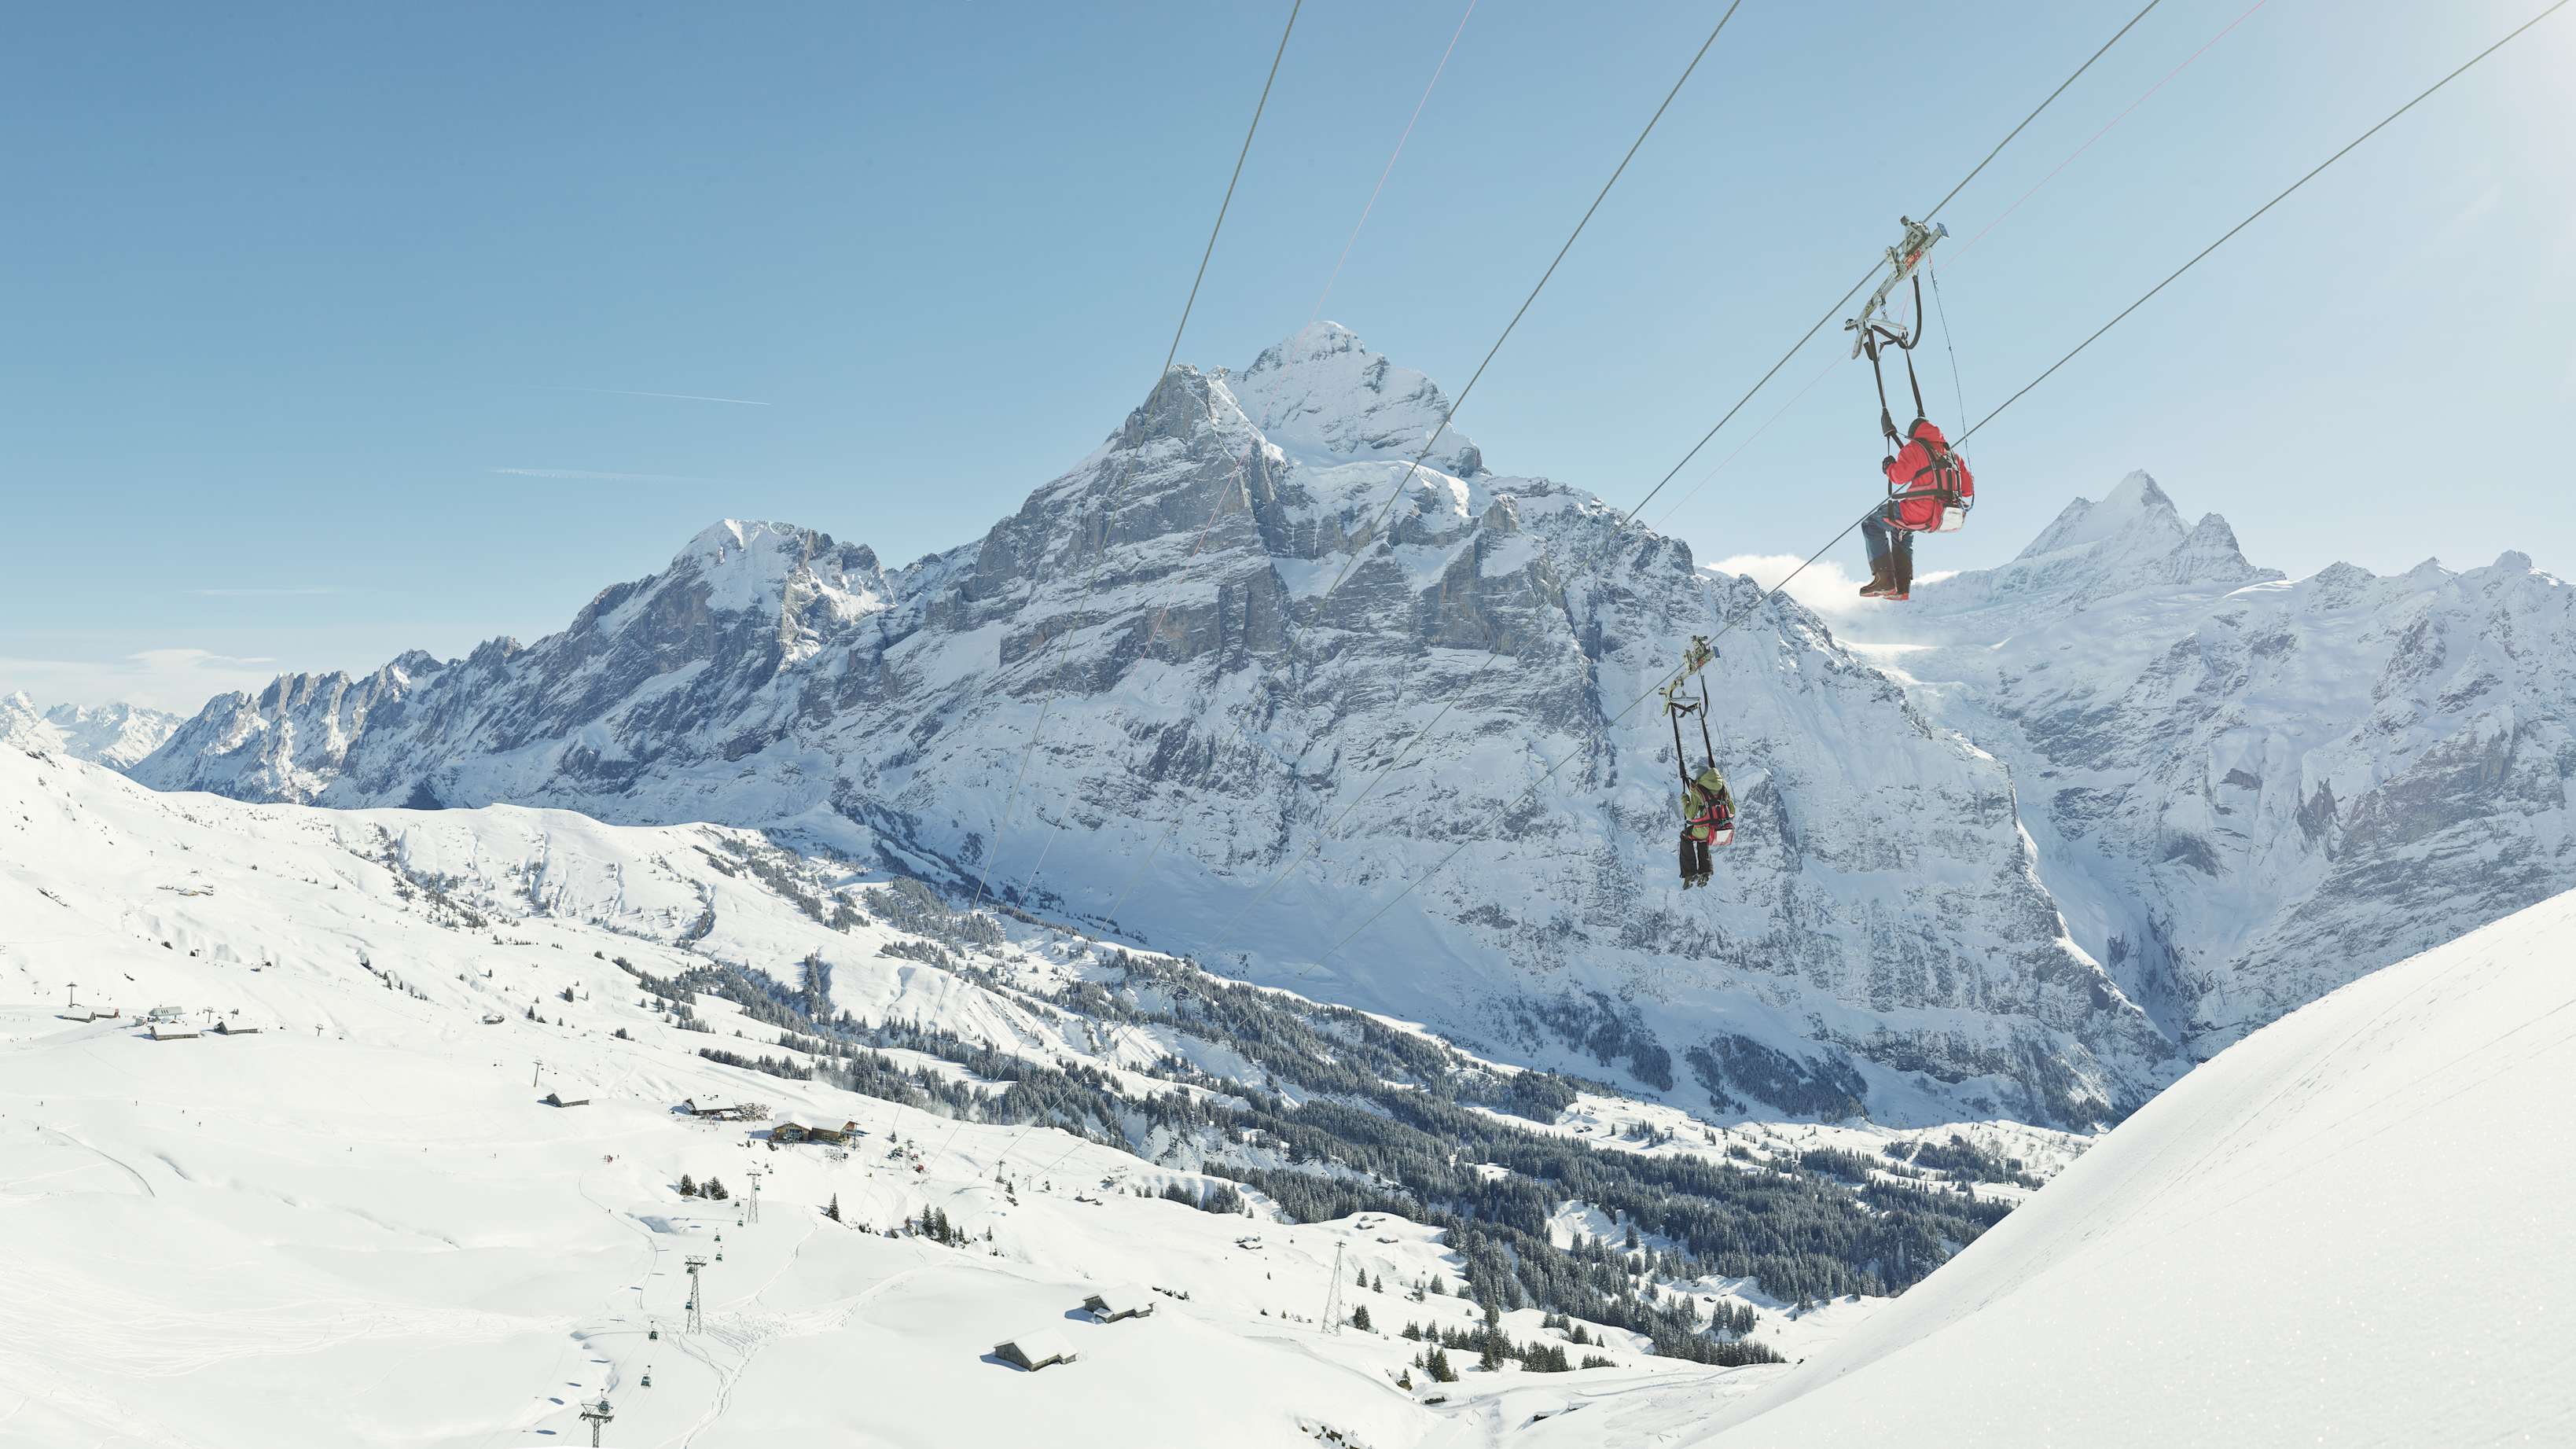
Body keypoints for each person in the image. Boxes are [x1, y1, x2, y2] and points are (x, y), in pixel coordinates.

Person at [1679, 759, 1733, 888]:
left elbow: (1690, 814)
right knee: (1702, 838)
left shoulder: (1699, 791)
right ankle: (1706, 871)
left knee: (1686, 836)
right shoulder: (1723, 788)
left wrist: (1685, 799)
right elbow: (1732, 811)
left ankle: (1690, 873)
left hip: (1707, 829)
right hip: (1721, 829)